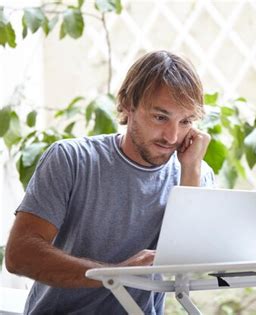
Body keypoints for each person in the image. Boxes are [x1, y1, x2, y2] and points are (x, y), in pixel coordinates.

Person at [5, 50, 214, 314]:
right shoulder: (71, 160)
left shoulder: (192, 174)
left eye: (185, 122)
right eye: (160, 117)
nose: (172, 137)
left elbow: (184, 268)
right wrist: (114, 275)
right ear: (128, 105)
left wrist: (191, 170)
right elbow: (19, 256)